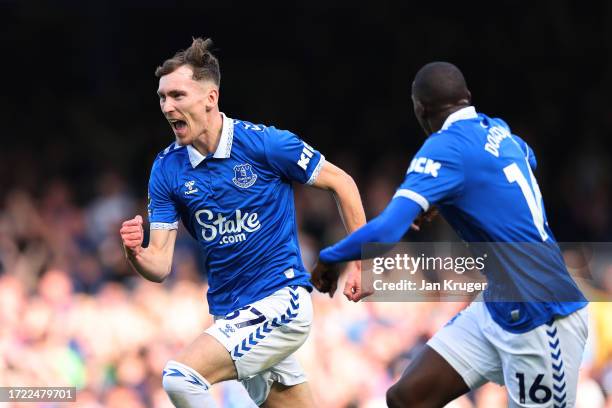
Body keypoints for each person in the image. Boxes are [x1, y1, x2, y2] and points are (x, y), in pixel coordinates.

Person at [311, 62, 588, 407]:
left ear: (420, 110)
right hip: (497, 307)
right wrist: (461, 191)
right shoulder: (498, 131)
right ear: (467, 98)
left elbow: (388, 228)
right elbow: (526, 159)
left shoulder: (445, 148)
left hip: (544, 318)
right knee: (407, 397)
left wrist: (330, 257)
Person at [119, 37, 368, 408]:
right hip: (231, 314)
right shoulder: (166, 169)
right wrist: (135, 253)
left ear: (210, 98)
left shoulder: (265, 144)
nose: (167, 106)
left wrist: (360, 261)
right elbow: (160, 265)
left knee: (181, 378)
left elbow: (342, 183)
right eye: (161, 97)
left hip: (280, 302)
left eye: (177, 96)